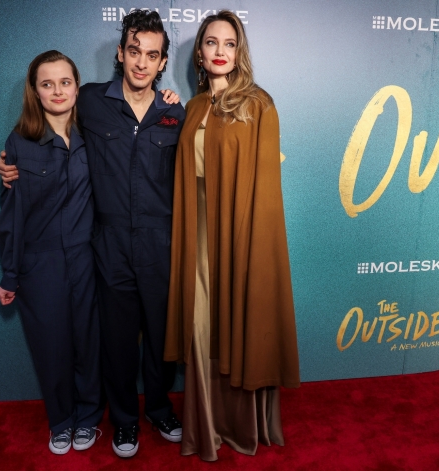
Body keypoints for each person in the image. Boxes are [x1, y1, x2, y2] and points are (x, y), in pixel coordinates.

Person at [0, 10, 185, 459]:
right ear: (120, 53)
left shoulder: (175, 111)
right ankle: (122, 421)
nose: (142, 62)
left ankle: (158, 408)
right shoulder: (91, 100)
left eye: (152, 55)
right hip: (109, 243)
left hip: (161, 243)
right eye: (134, 51)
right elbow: (45, 126)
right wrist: (9, 167)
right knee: (118, 341)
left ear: (162, 63)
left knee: (162, 338)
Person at [164, 10, 301, 461]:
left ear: (239, 52)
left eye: (229, 43)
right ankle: (206, 424)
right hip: (197, 240)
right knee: (201, 330)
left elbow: (265, 196)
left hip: (240, 240)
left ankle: (242, 426)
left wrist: (251, 252)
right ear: (199, 55)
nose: (219, 51)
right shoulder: (192, 108)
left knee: (239, 324)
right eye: (210, 43)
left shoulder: (259, 104)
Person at [0, 50, 102, 455]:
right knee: (51, 344)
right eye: (47, 83)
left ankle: (90, 417)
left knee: (89, 343)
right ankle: (61, 420)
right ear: (35, 92)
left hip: (87, 256)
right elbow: (12, 215)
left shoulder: (94, 132)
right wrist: (10, 273)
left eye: (65, 82)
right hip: (39, 263)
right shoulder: (19, 142)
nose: (57, 90)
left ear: (77, 87)